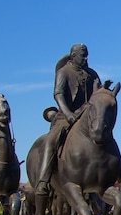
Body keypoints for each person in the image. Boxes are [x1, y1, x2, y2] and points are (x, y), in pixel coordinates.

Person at [34, 43, 101, 196]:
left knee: (106, 138)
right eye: (82, 56)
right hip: (65, 116)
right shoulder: (63, 72)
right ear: (73, 56)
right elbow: (58, 94)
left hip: (87, 118)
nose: (85, 59)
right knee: (50, 141)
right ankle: (43, 181)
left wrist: (102, 90)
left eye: (87, 55)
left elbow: (97, 96)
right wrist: (68, 114)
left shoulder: (93, 74)